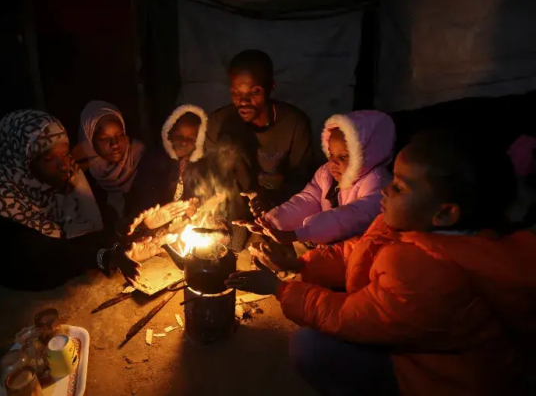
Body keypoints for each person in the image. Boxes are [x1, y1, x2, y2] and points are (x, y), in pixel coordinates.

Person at [226, 129, 536, 396]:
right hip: (406, 334)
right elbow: (359, 252)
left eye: (400, 186)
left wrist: (281, 289)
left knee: (310, 346)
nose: (386, 187)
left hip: (437, 380)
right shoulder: (414, 224)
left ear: (444, 213)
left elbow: (350, 317)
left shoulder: (431, 275)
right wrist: (301, 264)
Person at [0, 110, 183, 291]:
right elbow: (47, 261)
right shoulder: (0, 202)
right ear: (23, 162)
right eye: (48, 159)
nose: (64, 165)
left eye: (64, 153)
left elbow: (100, 226)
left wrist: (134, 230)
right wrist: (104, 257)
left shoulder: (68, 179)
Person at [235, 110, 395, 246]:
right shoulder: (326, 174)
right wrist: (272, 222)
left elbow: (351, 218)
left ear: (366, 155)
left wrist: (299, 234)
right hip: (325, 245)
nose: (334, 162)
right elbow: (307, 200)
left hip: (356, 252)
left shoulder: (377, 183)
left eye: (344, 156)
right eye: (331, 154)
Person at [206, 49, 314, 213]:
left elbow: (302, 181)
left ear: (270, 87)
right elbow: (210, 178)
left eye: (254, 92)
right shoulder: (218, 123)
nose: (243, 102)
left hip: (280, 207)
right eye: (236, 93)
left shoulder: (295, 124)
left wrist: (270, 200)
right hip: (233, 209)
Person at [74, 100, 146, 229]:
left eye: (120, 135)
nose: (115, 144)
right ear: (90, 140)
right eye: (104, 139)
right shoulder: (83, 169)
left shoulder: (141, 157)